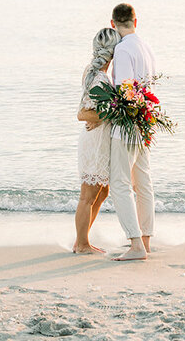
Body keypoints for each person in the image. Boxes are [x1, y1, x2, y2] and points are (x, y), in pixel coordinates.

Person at [105, 2, 156, 261]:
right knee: (143, 184)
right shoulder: (145, 47)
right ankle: (145, 240)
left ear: (113, 23)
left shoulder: (123, 50)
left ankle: (135, 244)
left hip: (126, 123)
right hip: (144, 122)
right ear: (136, 21)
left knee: (120, 184)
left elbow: (125, 90)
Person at [73, 27, 120, 254]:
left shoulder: (95, 73)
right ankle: (81, 244)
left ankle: (83, 239)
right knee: (88, 195)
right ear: (113, 53)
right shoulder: (99, 78)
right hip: (94, 141)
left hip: (98, 139)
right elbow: (83, 112)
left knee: (102, 192)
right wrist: (108, 114)